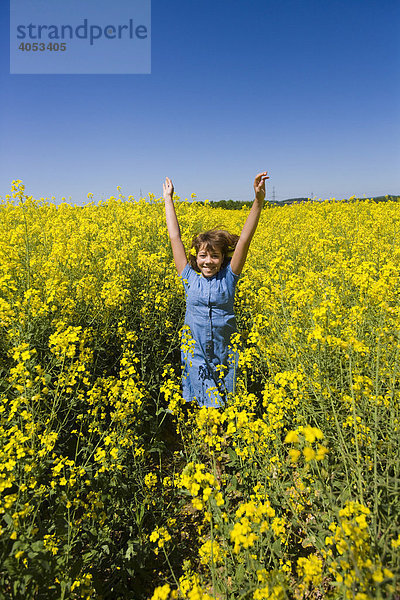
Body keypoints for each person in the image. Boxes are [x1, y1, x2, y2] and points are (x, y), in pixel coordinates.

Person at [163, 171, 269, 408]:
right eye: (203, 256)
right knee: (209, 405)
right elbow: (174, 238)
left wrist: (258, 201)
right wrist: (168, 199)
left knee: (231, 404)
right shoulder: (188, 277)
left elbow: (244, 240)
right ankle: (213, 441)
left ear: (223, 259)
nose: (208, 261)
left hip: (226, 353)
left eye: (214, 256)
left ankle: (226, 439)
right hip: (196, 353)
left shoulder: (229, 278)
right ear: (196, 258)